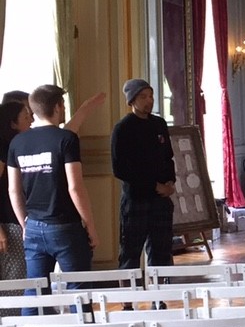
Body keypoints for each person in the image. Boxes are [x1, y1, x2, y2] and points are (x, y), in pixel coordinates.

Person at [8, 83, 99, 280]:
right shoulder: (67, 139)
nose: (64, 109)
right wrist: (90, 225)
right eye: (63, 104)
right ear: (57, 107)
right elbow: (75, 187)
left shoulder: (17, 142)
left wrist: (25, 225)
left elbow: (14, 190)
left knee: (36, 289)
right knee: (78, 287)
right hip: (65, 226)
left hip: (33, 225)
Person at [110, 78, 177, 270]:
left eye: (151, 96)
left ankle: (161, 289)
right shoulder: (123, 128)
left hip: (161, 200)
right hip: (136, 200)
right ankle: (129, 290)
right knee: (130, 251)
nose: (149, 101)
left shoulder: (159, 124)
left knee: (162, 252)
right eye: (143, 97)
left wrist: (170, 182)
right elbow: (120, 169)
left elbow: (168, 157)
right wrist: (154, 186)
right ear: (132, 100)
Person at [0, 97, 32, 280]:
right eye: (26, 117)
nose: (32, 120)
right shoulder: (3, 148)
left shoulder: (18, 146)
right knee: (14, 278)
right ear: (13, 123)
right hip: (8, 223)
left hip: (15, 221)